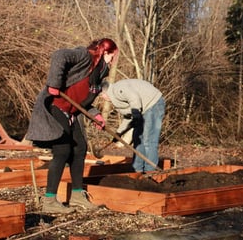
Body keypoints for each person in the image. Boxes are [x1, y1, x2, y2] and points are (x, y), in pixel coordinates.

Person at [26, 38, 118, 213]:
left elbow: (81, 102)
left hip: (71, 112)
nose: (113, 61)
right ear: (106, 52)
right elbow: (59, 55)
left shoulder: (98, 75)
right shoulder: (84, 57)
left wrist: (96, 115)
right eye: (113, 56)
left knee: (80, 148)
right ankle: (50, 201)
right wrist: (54, 83)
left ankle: (76, 195)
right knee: (63, 149)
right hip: (55, 106)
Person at [100, 79, 165, 173]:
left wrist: (136, 115)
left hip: (153, 104)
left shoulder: (117, 89)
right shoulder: (115, 98)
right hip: (142, 110)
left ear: (105, 92)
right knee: (137, 139)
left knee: (148, 139)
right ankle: (137, 170)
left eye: (101, 95)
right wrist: (118, 133)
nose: (102, 98)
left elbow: (134, 98)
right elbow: (128, 117)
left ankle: (150, 171)